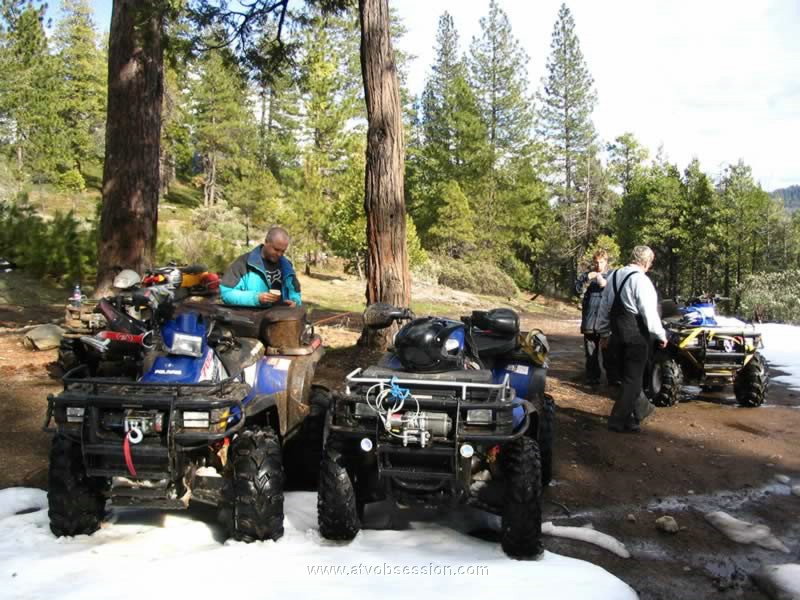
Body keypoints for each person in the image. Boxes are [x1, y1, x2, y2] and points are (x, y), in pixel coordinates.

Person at [597, 245, 666, 433]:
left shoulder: (614, 276)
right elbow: (649, 314)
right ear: (646, 262)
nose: (650, 266)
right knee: (633, 381)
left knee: (625, 378)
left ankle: (632, 420)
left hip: (616, 336)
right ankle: (617, 420)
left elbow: (604, 307)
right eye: (650, 263)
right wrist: (661, 335)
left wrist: (603, 333)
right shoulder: (641, 281)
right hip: (636, 337)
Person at [220, 226, 302, 307]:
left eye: (283, 251)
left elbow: (295, 292)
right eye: (276, 249)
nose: (279, 254)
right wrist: (256, 298)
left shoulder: (287, 266)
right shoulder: (243, 263)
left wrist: (295, 301)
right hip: (250, 314)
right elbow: (226, 293)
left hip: (281, 314)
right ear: (266, 242)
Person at [575, 249, 614, 385]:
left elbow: (611, 289)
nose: (598, 265)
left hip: (605, 322)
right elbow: (577, 290)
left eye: (601, 262)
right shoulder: (587, 275)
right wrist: (586, 278)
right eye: (596, 262)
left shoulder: (612, 276)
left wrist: (601, 280)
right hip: (589, 321)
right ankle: (592, 378)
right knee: (591, 353)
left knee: (608, 353)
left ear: (606, 262)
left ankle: (612, 379)